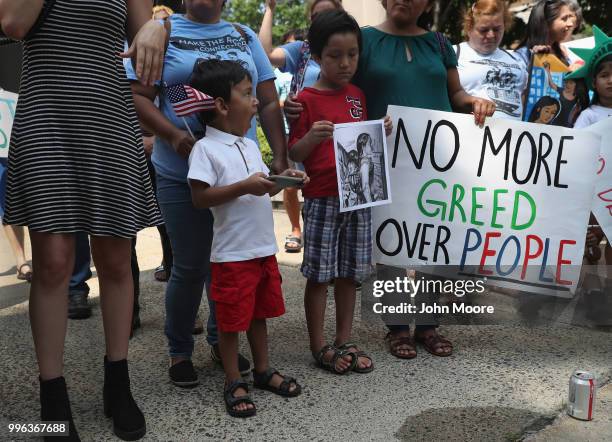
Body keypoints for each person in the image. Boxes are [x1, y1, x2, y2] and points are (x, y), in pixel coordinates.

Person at [0, 1, 166, 440]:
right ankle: (51, 397)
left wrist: (158, 25)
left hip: (109, 118)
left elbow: (144, 35)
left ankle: (118, 381)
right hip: (46, 117)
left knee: (115, 258)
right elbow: (13, 24)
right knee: (52, 264)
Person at [128, 0, 288, 387]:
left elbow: (267, 102)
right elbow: (137, 95)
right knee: (190, 266)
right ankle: (180, 349)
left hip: (239, 173)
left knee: (232, 264)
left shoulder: (244, 35)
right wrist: (173, 135)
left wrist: (280, 158)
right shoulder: (162, 31)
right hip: (181, 174)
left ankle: (222, 340)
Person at [187, 59, 305, 417]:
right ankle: (233, 379)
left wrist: (283, 179)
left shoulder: (247, 145)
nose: (256, 102)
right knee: (231, 321)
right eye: (247, 94)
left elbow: (259, 186)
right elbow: (199, 197)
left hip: (262, 249)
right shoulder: (205, 149)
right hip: (232, 254)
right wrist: (244, 186)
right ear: (222, 106)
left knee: (259, 313)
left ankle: (264, 369)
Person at [289, 10, 393, 374]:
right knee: (320, 274)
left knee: (350, 273)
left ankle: (344, 339)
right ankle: (319, 345)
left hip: (359, 197)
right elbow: (293, 153)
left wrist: (381, 130)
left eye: (352, 54)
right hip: (321, 197)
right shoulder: (306, 99)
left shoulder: (358, 95)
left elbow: (363, 141)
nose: (345, 63)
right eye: (335, 55)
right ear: (316, 56)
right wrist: (310, 137)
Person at [455, 0, 528, 120]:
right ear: (469, 28)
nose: (491, 35)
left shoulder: (516, 59)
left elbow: (527, 100)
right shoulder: (454, 53)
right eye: (483, 30)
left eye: (497, 29)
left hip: (514, 135)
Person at [275, 29, 305, 253]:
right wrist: (285, 103)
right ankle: (296, 229)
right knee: (291, 183)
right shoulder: (278, 73)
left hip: (314, 132)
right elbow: (270, 104)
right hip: (288, 132)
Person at [515, 0, 583, 69]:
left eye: (570, 17)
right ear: (546, 22)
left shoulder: (561, 52)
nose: (570, 24)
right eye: (564, 19)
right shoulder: (522, 57)